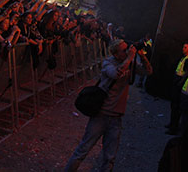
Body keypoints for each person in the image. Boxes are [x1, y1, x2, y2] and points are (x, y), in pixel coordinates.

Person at [65, 38, 152, 171]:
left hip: (116, 117)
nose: (127, 51)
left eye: (127, 48)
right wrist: (130, 58)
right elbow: (115, 74)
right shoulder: (108, 62)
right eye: (124, 50)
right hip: (101, 114)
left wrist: (142, 56)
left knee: (109, 157)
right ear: (116, 54)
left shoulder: (130, 63)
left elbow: (149, 71)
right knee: (82, 150)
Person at [166, 42, 188, 134]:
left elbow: (185, 73)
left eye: (185, 47)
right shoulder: (183, 58)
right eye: (183, 47)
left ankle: (174, 127)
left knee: (176, 106)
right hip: (177, 79)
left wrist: (179, 83)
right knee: (173, 105)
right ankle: (172, 124)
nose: (183, 49)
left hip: (179, 81)